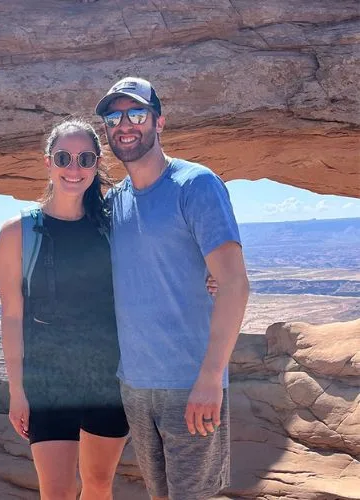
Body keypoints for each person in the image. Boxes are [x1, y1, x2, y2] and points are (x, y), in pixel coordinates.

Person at [95, 77, 250, 500]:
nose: (125, 124)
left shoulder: (195, 185)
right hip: (136, 384)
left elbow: (234, 283)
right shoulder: (115, 202)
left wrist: (210, 378)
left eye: (137, 113)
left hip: (189, 384)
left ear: (159, 122)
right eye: (114, 116)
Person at [0, 119, 129, 500]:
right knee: (56, 492)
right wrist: (17, 391)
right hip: (48, 381)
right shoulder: (18, 233)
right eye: (64, 158)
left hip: (107, 379)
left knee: (99, 485)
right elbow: (12, 315)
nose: (74, 168)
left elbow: (158, 267)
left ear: (97, 163)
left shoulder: (113, 226)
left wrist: (209, 278)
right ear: (48, 163)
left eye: (85, 158)